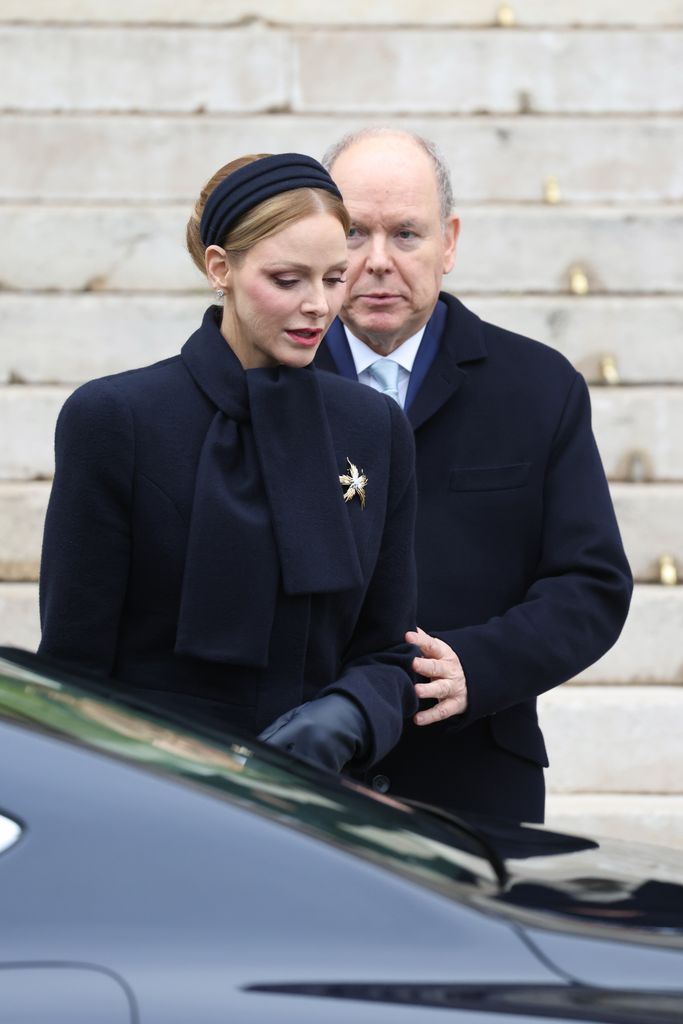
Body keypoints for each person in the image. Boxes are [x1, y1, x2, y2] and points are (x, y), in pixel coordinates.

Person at [38, 152, 419, 774]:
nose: (318, 305)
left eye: (333, 278)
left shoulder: (374, 426)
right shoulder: (114, 418)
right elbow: (73, 668)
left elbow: (388, 650)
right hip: (155, 791)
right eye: (287, 280)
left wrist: (348, 714)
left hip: (319, 796)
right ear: (221, 268)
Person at [315, 129, 633, 821]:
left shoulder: (538, 386)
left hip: (475, 783)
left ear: (449, 243)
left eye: (406, 234)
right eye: (354, 233)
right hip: (300, 778)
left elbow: (591, 584)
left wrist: (476, 667)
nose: (377, 261)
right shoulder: (268, 381)